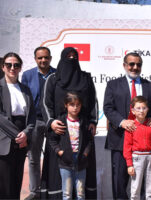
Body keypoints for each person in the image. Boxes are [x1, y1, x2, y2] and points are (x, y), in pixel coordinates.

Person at [103, 52, 151, 199]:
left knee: (144, 182)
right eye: (131, 64)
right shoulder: (113, 85)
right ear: (124, 65)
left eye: (138, 64)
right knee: (119, 179)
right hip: (120, 138)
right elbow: (108, 108)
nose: (135, 67)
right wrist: (122, 122)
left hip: (144, 144)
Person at [40, 47, 98, 199]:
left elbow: (93, 101)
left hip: (82, 130)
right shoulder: (53, 79)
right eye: (68, 56)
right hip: (59, 132)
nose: (71, 59)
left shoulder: (85, 78)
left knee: (82, 176)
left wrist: (93, 121)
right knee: (59, 174)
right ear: (62, 58)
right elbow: (46, 103)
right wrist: (51, 122)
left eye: (74, 57)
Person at [21, 46, 56, 200]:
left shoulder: (57, 74)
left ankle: (49, 189)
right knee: (34, 158)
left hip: (52, 122)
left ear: (50, 58)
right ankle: (35, 192)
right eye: (40, 58)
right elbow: (25, 100)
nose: (43, 60)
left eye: (46, 57)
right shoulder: (27, 75)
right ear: (35, 59)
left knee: (52, 157)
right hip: (34, 121)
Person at [0, 52, 36, 199]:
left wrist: (26, 134)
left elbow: (32, 116)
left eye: (16, 65)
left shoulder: (25, 89)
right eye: (9, 65)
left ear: (20, 68)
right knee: (4, 185)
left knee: (16, 181)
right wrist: (18, 135)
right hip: (5, 139)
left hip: (22, 140)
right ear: (3, 67)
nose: (12, 68)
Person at [49, 91, 92, 200]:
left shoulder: (84, 121)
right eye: (72, 105)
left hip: (81, 161)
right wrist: (61, 152)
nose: (75, 108)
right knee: (67, 194)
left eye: (78, 105)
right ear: (66, 105)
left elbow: (89, 141)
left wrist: (85, 154)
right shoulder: (61, 122)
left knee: (80, 193)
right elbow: (53, 140)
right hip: (65, 162)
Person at [123, 96, 151, 200]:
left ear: (148, 110)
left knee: (150, 188)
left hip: (150, 157)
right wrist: (129, 164)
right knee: (135, 188)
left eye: (144, 108)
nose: (141, 111)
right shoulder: (131, 126)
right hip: (136, 158)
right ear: (133, 110)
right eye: (138, 108)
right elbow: (127, 146)